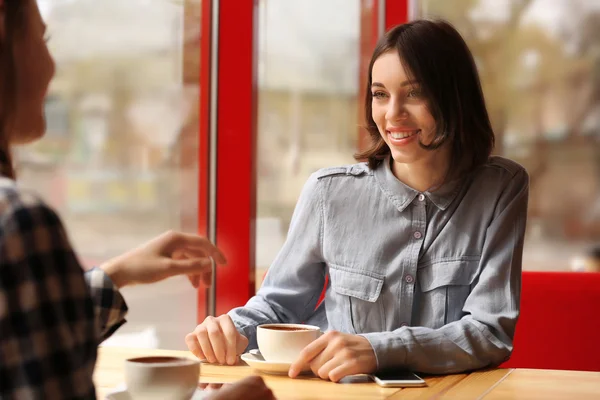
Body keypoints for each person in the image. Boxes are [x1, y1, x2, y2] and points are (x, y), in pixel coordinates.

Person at [186, 19, 529, 382]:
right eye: (380, 94)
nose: (392, 114)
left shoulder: (501, 188)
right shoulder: (327, 192)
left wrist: (380, 350)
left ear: (453, 98)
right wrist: (229, 330)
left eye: (414, 93)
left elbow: (490, 332)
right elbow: (278, 306)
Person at [0, 1, 275, 399]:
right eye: (42, 39)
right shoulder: (19, 219)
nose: (51, 65)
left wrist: (115, 275)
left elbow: (30, 340)